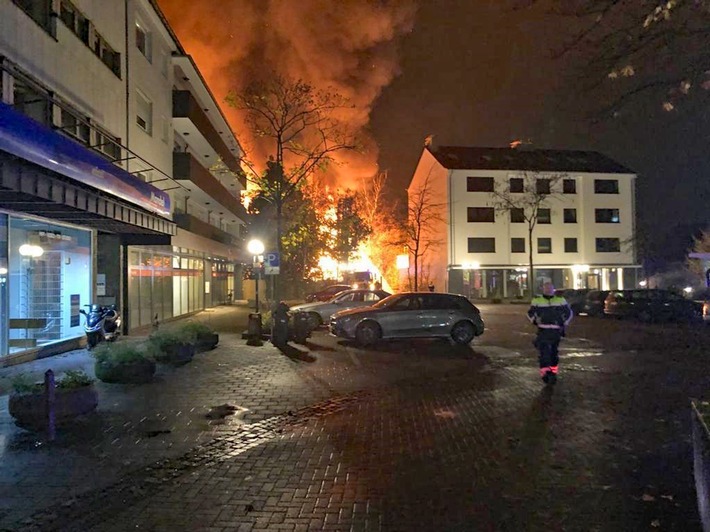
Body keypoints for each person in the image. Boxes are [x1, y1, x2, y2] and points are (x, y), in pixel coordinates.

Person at [527, 282, 573, 385]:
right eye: (546, 288)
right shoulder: (537, 300)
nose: (548, 290)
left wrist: (565, 322)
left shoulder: (560, 300)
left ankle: (553, 371)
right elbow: (530, 313)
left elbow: (569, 313)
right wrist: (534, 320)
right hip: (543, 330)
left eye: (550, 288)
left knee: (553, 352)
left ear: (553, 289)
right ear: (543, 289)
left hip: (556, 330)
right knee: (544, 352)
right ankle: (545, 373)